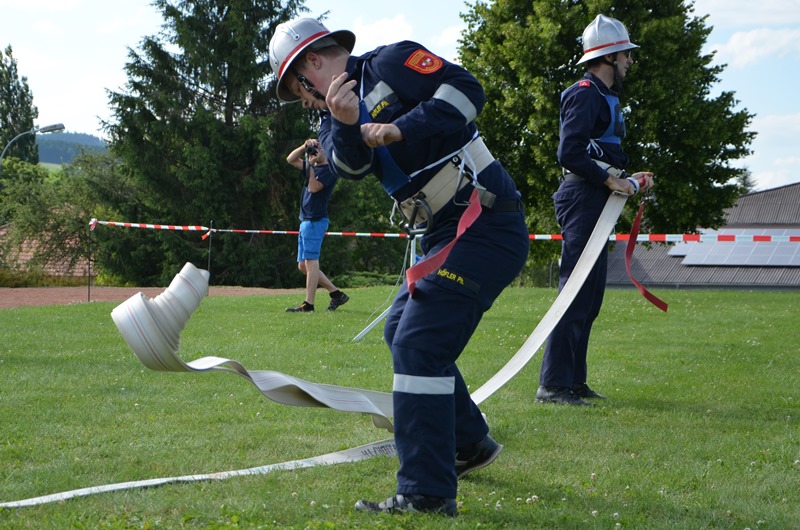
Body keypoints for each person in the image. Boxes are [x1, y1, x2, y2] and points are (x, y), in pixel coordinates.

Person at [269, 18, 530, 517]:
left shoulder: (391, 60)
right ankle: (469, 444)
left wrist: (401, 127)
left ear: (311, 65)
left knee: (418, 342)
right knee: (399, 332)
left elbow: (468, 90)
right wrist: (347, 125)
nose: (303, 101)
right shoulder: (331, 120)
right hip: (443, 232)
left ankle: (426, 493)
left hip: (484, 219)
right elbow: (349, 168)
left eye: (296, 89)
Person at [536, 14, 653, 406]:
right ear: (610, 56)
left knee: (590, 296)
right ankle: (552, 385)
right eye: (626, 56)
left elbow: (595, 150)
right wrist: (609, 180)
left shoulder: (602, 96)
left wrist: (623, 177)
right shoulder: (586, 92)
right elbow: (569, 152)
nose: (631, 63)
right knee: (575, 292)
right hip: (583, 198)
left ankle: (573, 382)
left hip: (595, 197)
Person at [284, 139, 349, 312]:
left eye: (319, 148)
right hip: (305, 220)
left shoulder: (329, 171)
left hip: (315, 221)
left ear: (327, 150)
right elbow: (290, 159)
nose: (316, 151)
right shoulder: (312, 166)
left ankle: (309, 304)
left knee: (311, 263)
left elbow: (313, 188)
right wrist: (304, 147)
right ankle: (336, 294)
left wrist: (311, 166)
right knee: (303, 266)